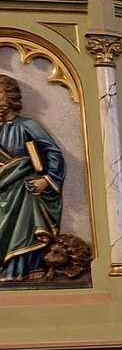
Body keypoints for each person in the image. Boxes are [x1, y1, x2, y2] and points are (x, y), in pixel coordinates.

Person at [0, 74, 67, 281]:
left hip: (22, 189)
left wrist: (46, 180)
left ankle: (22, 269)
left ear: (10, 96)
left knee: (26, 220)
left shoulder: (26, 125)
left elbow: (53, 153)